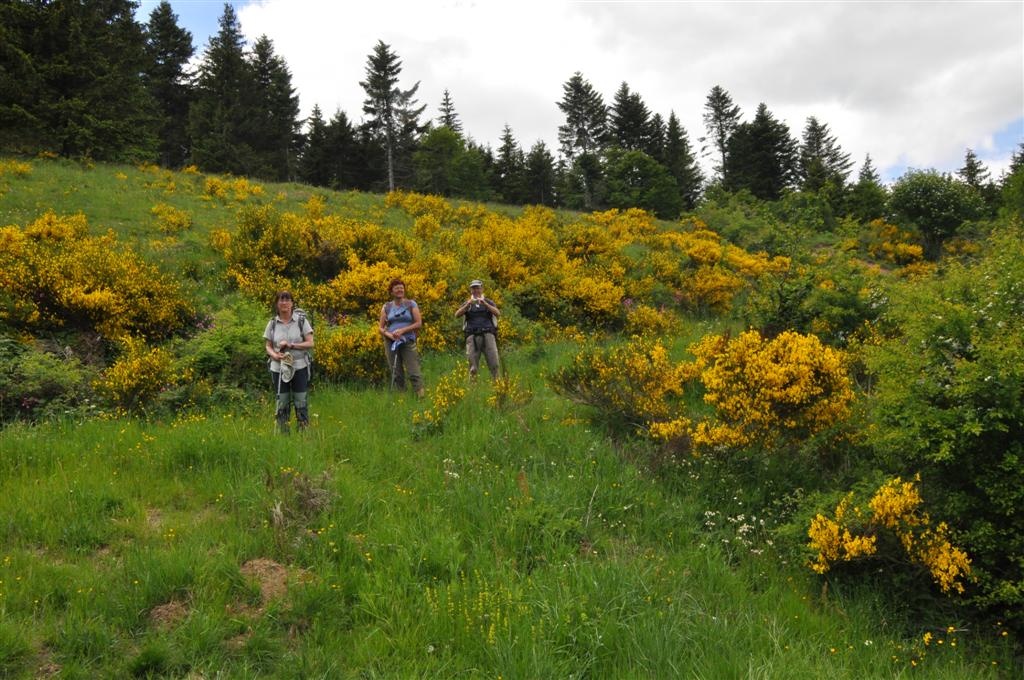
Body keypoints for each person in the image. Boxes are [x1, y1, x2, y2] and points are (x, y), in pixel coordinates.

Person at [264, 291, 314, 433]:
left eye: (287, 300)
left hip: (299, 366)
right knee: (282, 401)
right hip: (278, 368)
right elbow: (268, 346)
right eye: (281, 300)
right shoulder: (272, 323)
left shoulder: (301, 321)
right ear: (277, 304)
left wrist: (291, 345)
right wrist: (275, 355)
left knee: (300, 400)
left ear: (292, 303)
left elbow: (310, 343)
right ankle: (283, 434)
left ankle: (303, 432)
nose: (284, 303)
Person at [379, 278, 424, 397]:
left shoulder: (411, 304)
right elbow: (381, 328)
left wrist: (403, 330)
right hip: (391, 342)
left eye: (401, 288)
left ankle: (421, 397)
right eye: (396, 288)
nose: (400, 290)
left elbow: (418, 323)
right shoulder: (386, 307)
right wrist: (390, 335)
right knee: (396, 372)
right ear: (391, 291)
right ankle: (401, 398)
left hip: (407, 340)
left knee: (413, 371)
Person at [455, 279, 501, 381]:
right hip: (472, 336)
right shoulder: (467, 303)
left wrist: (486, 305)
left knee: (494, 363)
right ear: (471, 290)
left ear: (482, 289)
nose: (476, 290)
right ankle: (473, 387)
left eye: (477, 288)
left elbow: (498, 313)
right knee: (472, 367)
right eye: (473, 288)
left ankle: (498, 386)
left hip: (488, 334)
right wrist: (467, 305)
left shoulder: (488, 302)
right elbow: (457, 315)